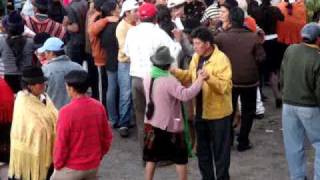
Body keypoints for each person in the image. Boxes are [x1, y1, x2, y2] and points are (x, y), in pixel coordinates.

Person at [171, 27, 232, 180]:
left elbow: (225, 87)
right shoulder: (196, 58)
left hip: (219, 114)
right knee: (203, 153)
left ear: (208, 43)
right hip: (200, 113)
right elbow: (190, 77)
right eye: (194, 43)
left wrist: (208, 78)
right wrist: (175, 72)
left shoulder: (221, 59)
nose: (195, 47)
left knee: (221, 152)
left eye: (198, 43)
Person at [143, 46, 207, 180]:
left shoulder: (148, 75)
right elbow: (186, 95)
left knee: (151, 157)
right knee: (180, 157)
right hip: (170, 125)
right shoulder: (169, 81)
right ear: (167, 64)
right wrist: (200, 80)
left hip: (151, 122)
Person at [124, 2, 182, 150]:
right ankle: (159, 154)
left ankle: (146, 151)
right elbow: (173, 55)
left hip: (136, 78)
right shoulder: (159, 34)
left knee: (140, 117)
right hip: (154, 80)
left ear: (139, 17)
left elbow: (128, 53)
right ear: (155, 17)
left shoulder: (132, 32)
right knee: (158, 116)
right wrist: (178, 41)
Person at [215, 7, 265, 151]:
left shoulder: (221, 37)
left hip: (229, 80)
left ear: (230, 20)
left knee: (228, 111)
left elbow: (211, 48)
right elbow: (261, 58)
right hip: (249, 79)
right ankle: (243, 141)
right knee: (248, 111)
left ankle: (228, 140)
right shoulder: (254, 36)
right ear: (243, 20)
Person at [51, 70, 112, 180]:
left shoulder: (66, 112)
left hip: (71, 168)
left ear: (71, 88)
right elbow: (106, 137)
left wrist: (57, 164)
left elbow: (62, 143)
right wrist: (99, 156)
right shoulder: (99, 106)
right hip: (93, 166)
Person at [280, 23, 320, 180]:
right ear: (317, 39)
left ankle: (297, 177)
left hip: (288, 104)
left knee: (293, 145)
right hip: (309, 106)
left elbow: (282, 76)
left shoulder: (290, 50)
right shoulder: (317, 57)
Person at [9, 66, 58, 180]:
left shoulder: (45, 97)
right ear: (29, 85)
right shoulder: (23, 101)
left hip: (48, 151)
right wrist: (50, 125)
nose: (42, 85)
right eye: (38, 83)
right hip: (29, 155)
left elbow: (56, 115)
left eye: (43, 81)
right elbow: (35, 127)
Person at [40, 37, 84, 109]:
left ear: (51, 53)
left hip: (54, 113)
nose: (45, 55)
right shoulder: (78, 67)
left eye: (45, 52)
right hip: (77, 111)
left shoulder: (45, 70)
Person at [115, 0, 139, 133]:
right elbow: (124, 48)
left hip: (135, 62)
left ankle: (131, 119)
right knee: (126, 93)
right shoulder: (122, 27)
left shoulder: (137, 24)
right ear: (127, 12)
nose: (137, 13)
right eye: (135, 11)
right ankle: (124, 122)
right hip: (125, 63)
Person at [0, 11, 34, 93]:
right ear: (22, 27)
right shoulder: (30, 42)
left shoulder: (1, 41)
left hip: (8, 79)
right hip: (27, 79)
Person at [64, 0, 88, 65]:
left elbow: (75, 28)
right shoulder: (86, 3)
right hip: (87, 41)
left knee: (76, 68)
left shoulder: (70, 7)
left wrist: (65, 26)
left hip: (76, 43)